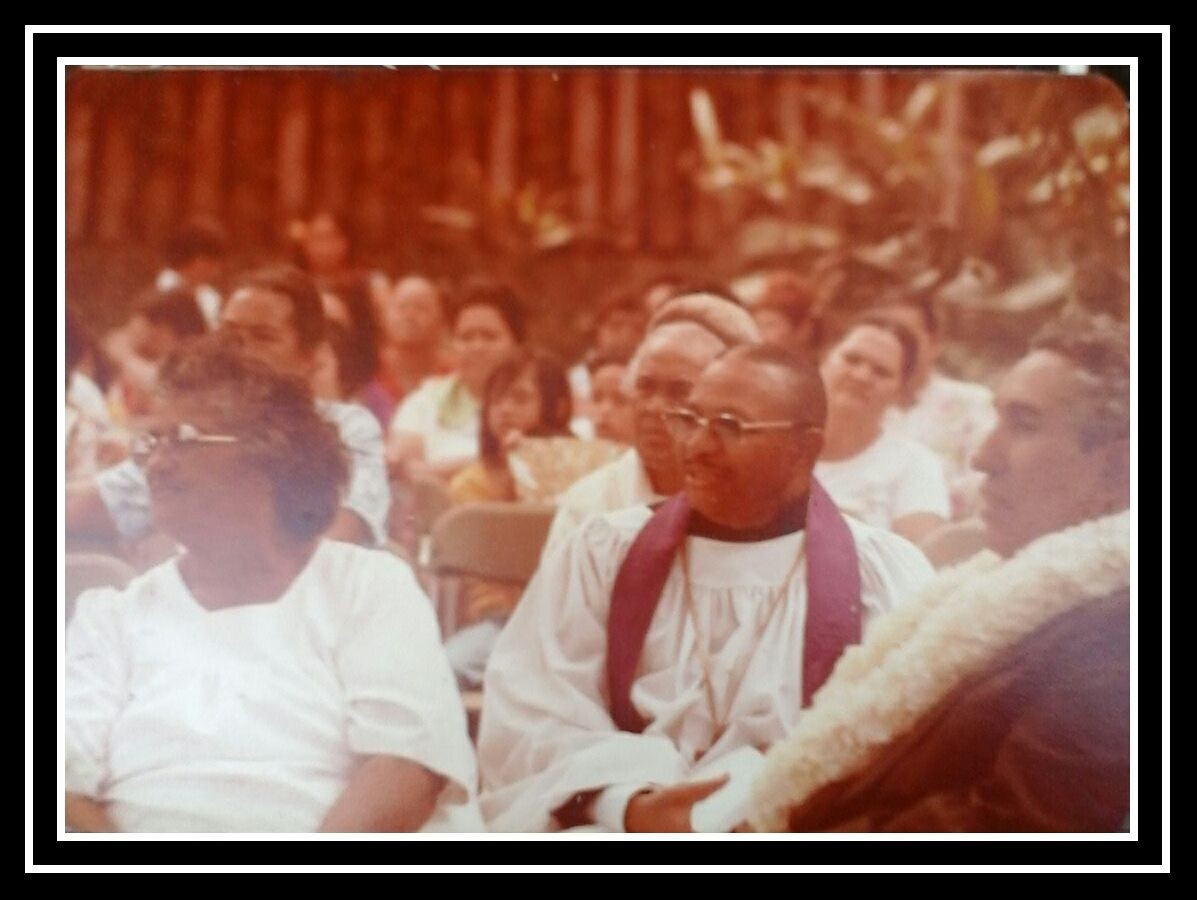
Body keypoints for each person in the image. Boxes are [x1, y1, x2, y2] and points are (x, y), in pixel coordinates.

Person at [477, 345, 934, 832]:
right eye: (690, 419)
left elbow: (908, 747)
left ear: (805, 447)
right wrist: (629, 804)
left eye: (730, 426)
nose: (696, 446)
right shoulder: (604, 552)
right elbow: (531, 713)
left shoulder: (882, 575)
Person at [65, 341, 481, 833]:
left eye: (182, 438)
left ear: (272, 454)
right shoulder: (113, 616)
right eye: (150, 444)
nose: (155, 465)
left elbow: (405, 769)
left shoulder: (367, 586)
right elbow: (62, 787)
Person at [751, 314, 1130, 833]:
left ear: (1116, 470)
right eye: (996, 418)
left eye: (1024, 424)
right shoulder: (1007, 589)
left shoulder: (1117, 644)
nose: (981, 457)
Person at [67, 267, 391, 548]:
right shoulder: (188, 433)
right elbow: (89, 505)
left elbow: (345, 533)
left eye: (262, 337)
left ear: (311, 357)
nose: (240, 352)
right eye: (229, 335)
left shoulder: (347, 428)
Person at [540, 292, 761, 557]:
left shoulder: (759, 509)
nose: (654, 407)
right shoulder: (590, 505)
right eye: (645, 387)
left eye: (679, 391)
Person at [443, 348, 575, 687]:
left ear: (557, 407)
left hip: (567, 626)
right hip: (498, 622)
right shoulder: (472, 482)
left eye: (520, 398)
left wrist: (534, 467)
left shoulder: (583, 468)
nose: (505, 410)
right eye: (496, 400)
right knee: (447, 666)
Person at [814, 317, 950, 545]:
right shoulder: (775, 438)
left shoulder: (914, 465)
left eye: (881, 372)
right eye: (852, 359)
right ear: (824, 359)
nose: (861, 376)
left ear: (901, 391)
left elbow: (920, 562)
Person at [871, 295, 996, 520]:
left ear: (935, 343)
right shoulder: (865, 408)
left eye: (907, 335)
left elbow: (984, 481)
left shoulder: (974, 402)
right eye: (886, 333)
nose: (895, 344)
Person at [387, 279, 523, 483]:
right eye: (466, 337)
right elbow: (404, 472)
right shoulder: (423, 403)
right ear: (451, 344)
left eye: (489, 336)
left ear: (517, 344)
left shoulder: (538, 399)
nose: (477, 347)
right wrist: (491, 461)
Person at [363, 275, 454, 428]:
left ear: (441, 322)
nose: (410, 316)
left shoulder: (453, 376)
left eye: (421, 308)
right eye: (402, 307)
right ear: (384, 318)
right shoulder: (366, 371)